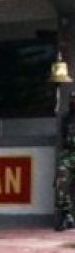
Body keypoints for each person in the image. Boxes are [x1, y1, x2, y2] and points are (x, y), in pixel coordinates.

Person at [56, 93, 75, 231]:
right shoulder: (67, 118)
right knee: (61, 178)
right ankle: (66, 215)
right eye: (72, 98)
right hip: (70, 154)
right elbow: (64, 137)